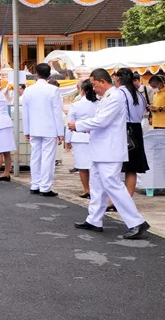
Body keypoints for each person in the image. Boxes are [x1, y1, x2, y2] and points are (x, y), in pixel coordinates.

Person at [69, 69, 150, 239]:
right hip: (101, 148)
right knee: (97, 185)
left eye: (94, 84)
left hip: (109, 149)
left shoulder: (115, 97)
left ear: (102, 81)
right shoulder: (108, 96)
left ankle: (136, 221)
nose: (93, 88)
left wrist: (78, 125)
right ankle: (94, 219)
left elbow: (101, 121)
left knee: (112, 185)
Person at [21, 64, 64, 197]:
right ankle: (45, 186)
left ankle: (35, 184)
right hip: (49, 128)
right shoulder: (53, 90)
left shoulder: (29, 90)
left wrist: (26, 130)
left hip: (34, 128)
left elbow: (25, 112)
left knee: (35, 157)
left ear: (36, 74)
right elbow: (57, 112)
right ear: (49, 75)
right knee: (47, 158)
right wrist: (60, 132)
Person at [115, 68, 148, 199]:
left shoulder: (120, 93)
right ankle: (128, 198)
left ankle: (114, 200)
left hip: (124, 130)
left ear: (117, 78)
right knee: (131, 168)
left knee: (115, 167)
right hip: (136, 129)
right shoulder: (139, 94)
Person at [65, 80, 99, 198]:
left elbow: (70, 123)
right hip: (96, 137)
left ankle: (86, 190)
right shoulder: (99, 104)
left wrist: (67, 140)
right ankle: (95, 190)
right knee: (94, 166)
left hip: (79, 137)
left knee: (82, 166)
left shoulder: (76, 105)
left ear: (82, 91)